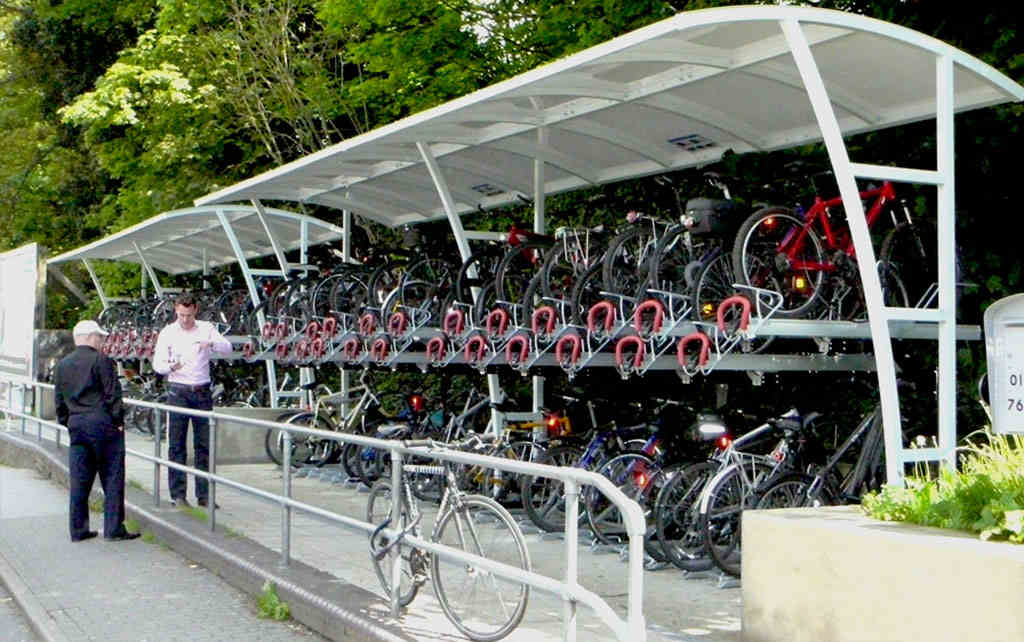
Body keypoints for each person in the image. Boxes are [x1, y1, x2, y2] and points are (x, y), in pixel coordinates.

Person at [54, 319, 139, 542]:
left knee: (79, 479)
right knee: (112, 477)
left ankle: (78, 529)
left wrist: (69, 421)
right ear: (91, 337)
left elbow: (59, 403)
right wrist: (118, 420)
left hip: (77, 425)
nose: (102, 341)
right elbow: (113, 395)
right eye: (100, 337)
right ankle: (113, 528)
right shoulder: (102, 361)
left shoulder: (62, 365)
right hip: (103, 424)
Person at [152, 293, 233, 508]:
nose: (185, 320)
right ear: (175, 311)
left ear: (195, 310)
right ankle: (178, 495)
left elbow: (228, 348)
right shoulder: (168, 332)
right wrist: (171, 367)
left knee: (204, 444)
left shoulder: (206, 328)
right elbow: (157, 364)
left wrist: (211, 343)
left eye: (188, 315)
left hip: (201, 390)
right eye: (181, 315)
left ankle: (204, 495)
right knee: (176, 444)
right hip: (178, 390)